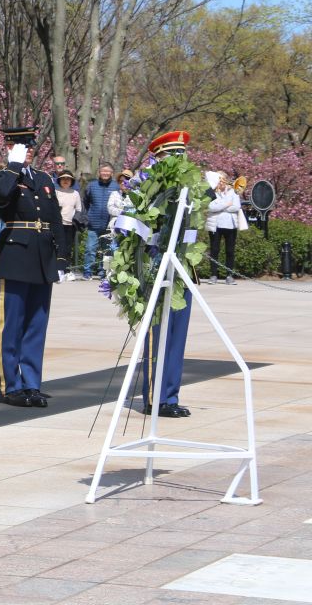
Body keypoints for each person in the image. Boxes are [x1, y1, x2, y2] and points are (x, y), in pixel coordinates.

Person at [0, 126, 67, 408]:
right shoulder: (2, 176)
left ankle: (32, 383)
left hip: (42, 257)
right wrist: (13, 166)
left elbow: (55, 219)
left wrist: (61, 257)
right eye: (23, 145)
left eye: (31, 146)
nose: (30, 149)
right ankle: (11, 386)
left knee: (37, 324)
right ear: (10, 147)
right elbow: (0, 197)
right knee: (11, 324)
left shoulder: (44, 178)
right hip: (15, 256)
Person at [140, 130, 202, 418]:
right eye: (173, 154)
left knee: (177, 337)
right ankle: (155, 397)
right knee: (158, 334)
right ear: (159, 157)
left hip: (182, 266)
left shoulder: (187, 188)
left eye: (182, 154)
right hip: (157, 264)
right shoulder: (149, 184)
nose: (180, 159)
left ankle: (171, 395)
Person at [206, 171, 241, 285]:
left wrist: (220, 206)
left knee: (230, 251)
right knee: (214, 250)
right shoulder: (211, 191)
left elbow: (236, 206)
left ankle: (229, 275)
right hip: (216, 225)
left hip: (230, 225)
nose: (220, 182)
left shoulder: (233, 191)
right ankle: (213, 275)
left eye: (222, 179)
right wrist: (226, 204)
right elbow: (211, 207)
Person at [82, 163, 116, 280]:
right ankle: (87, 272)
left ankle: (103, 273)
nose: (105, 173)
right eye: (103, 171)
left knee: (106, 251)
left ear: (112, 173)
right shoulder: (92, 185)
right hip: (93, 224)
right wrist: (86, 218)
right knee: (90, 249)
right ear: (99, 172)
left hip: (109, 226)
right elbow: (85, 202)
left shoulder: (116, 187)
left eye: (108, 171)